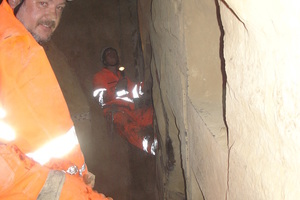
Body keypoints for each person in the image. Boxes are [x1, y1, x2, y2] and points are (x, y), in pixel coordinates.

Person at [0, 0, 112, 199]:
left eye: (59, 8)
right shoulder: (9, 44)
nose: (52, 16)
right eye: (43, 3)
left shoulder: (22, 47)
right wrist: (56, 187)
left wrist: (77, 172)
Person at [93, 47, 157, 155]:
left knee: (153, 114)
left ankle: (162, 139)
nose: (112, 54)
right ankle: (152, 146)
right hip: (115, 112)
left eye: (114, 53)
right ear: (104, 60)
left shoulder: (122, 77)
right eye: (108, 54)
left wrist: (146, 85)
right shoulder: (99, 77)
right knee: (129, 127)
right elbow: (101, 99)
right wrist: (116, 90)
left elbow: (134, 90)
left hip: (131, 110)